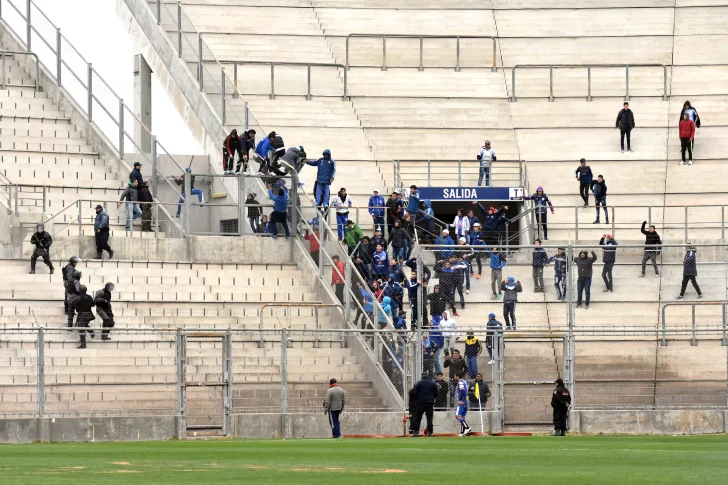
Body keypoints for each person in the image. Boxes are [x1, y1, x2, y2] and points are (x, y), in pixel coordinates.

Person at [67, 284, 96, 349]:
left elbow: (73, 303)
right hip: (89, 314)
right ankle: (91, 331)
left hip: (82, 314)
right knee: (84, 325)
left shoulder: (78, 298)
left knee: (81, 329)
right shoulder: (89, 297)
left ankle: (83, 344)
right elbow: (93, 304)